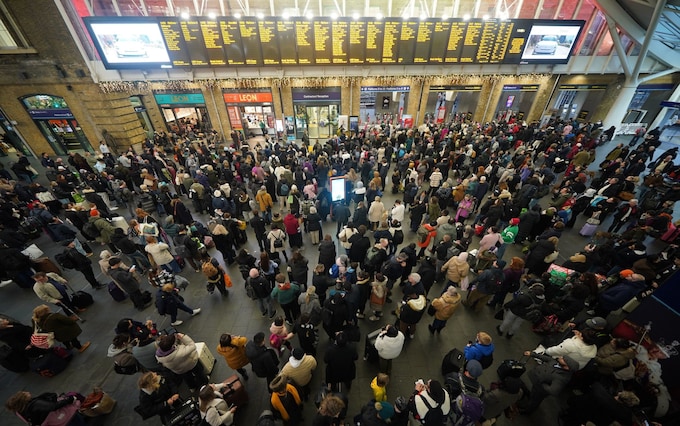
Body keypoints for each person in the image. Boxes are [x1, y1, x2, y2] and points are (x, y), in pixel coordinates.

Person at [6, 390, 86, 426]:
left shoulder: (19, 412)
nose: (28, 392)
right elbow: (54, 407)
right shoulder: (35, 404)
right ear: (23, 399)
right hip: (65, 419)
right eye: (25, 393)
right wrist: (70, 399)